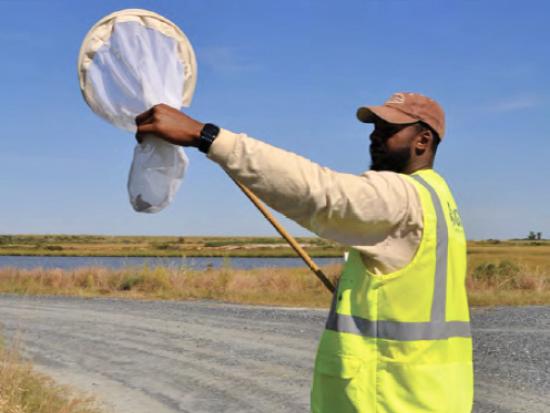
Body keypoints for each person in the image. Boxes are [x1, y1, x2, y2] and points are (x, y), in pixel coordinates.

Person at [135, 92, 473, 413]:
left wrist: (206, 137)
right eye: (374, 128)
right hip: (434, 394)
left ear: (423, 140)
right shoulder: (439, 198)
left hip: (390, 399)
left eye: (388, 130)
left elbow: (322, 193)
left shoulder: (403, 196)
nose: (375, 136)